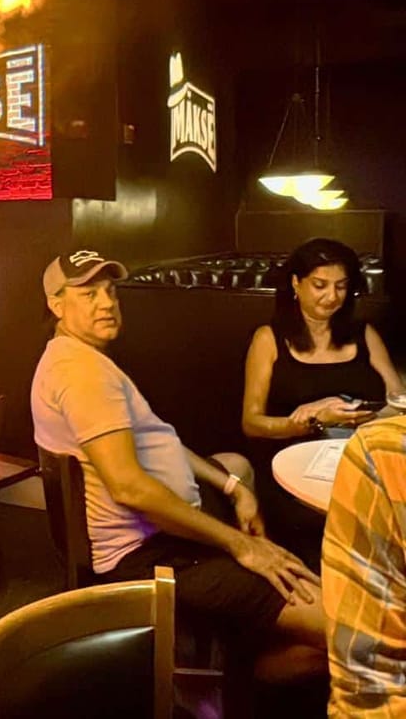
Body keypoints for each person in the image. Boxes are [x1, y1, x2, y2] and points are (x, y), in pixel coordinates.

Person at [31, 249, 327, 682]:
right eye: (89, 293)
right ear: (57, 305)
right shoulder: (83, 374)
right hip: (150, 553)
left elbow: (159, 440)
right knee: (359, 625)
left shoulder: (76, 358)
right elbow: (131, 488)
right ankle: (239, 679)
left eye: (111, 291)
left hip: (165, 537)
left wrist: (231, 486)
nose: (107, 303)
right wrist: (240, 545)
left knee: (237, 469)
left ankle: (241, 662)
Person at [241, 238, 403, 567]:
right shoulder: (268, 339)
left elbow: (397, 402)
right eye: (320, 285)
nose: (332, 297)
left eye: (341, 287)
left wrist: (358, 412)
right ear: (295, 284)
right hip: (291, 471)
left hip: (359, 462)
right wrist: (313, 418)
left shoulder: (364, 333)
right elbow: (251, 422)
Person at [322, 417, 406, 717]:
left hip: (359, 512)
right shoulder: (382, 454)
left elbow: (393, 397)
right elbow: (253, 423)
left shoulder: (383, 450)